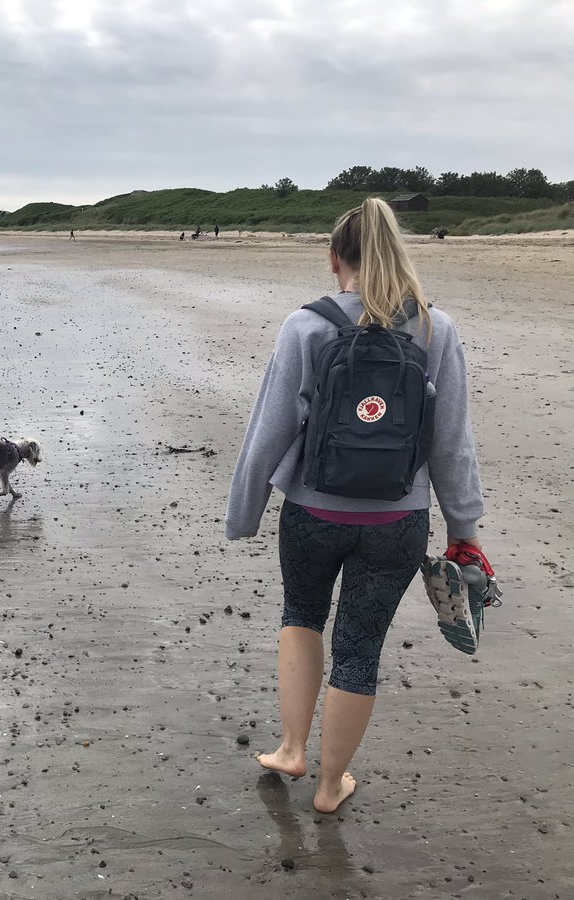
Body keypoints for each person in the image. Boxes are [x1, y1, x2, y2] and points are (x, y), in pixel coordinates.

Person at [224, 197, 485, 814]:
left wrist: (245, 513)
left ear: (334, 257)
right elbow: (452, 442)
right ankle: (329, 784)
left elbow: (269, 431)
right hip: (397, 521)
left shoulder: (306, 325)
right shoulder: (433, 328)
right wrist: (464, 529)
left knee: (301, 615)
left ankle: (292, 748)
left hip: (312, 514)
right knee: (361, 646)